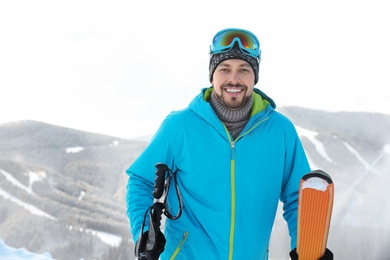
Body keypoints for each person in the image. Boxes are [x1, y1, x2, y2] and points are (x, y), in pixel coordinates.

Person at [126, 28, 333, 259]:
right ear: (212, 75)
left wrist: (306, 249)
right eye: (225, 69)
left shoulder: (280, 132)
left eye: (243, 69)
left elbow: (299, 197)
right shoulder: (180, 126)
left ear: (255, 76)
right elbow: (140, 180)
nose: (234, 79)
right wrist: (144, 233)